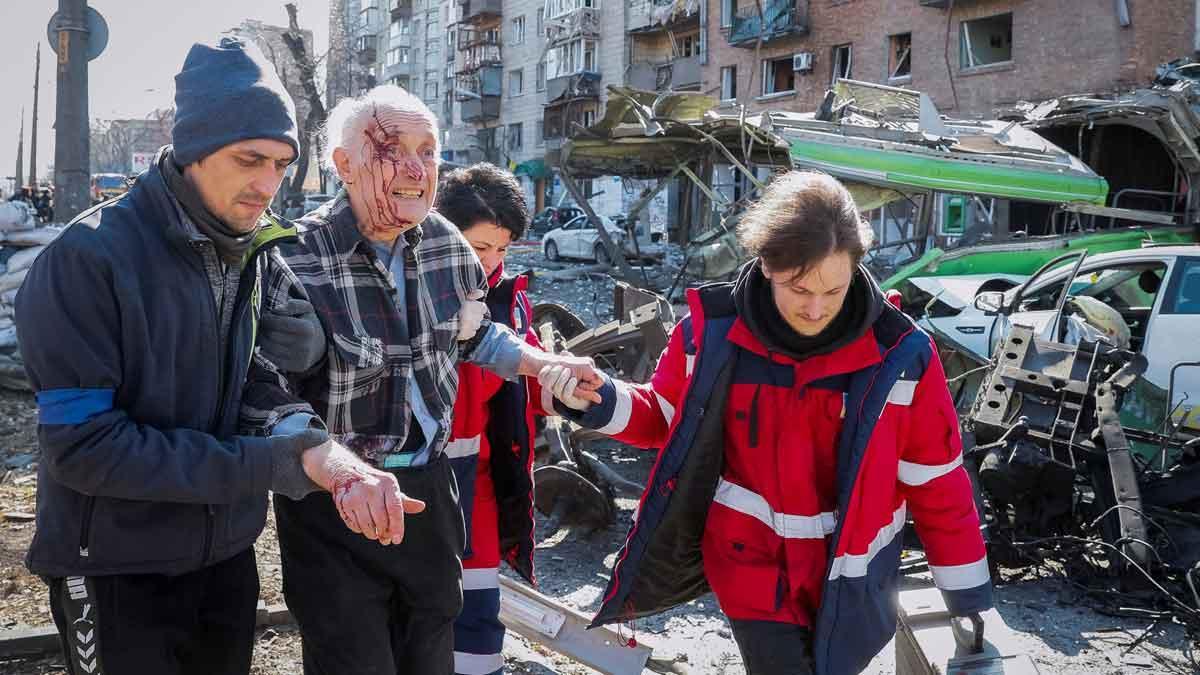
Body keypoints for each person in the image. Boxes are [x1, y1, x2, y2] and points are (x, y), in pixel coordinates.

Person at [15, 36, 405, 675]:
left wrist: (310, 438)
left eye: (281, 164)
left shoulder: (246, 247)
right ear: (193, 150)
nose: (267, 185)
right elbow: (84, 448)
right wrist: (270, 463)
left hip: (223, 557)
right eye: (250, 158)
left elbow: (243, 379)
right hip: (115, 566)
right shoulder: (89, 260)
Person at [539, 171, 992, 675]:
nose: (816, 308)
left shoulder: (900, 357)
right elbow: (663, 418)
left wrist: (967, 595)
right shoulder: (709, 337)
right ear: (767, 263)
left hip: (853, 576)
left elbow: (938, 484)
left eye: (833, 290)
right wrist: (599, 400)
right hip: (749, 568)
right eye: (799, 289)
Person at [254, 85, 601, 675]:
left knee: (431, 650)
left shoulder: (446, 245)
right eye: (392, 149)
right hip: (334, 500)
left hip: (431, 491)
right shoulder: (292, 258)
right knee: (352, 658)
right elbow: (262, 398)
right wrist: (336, 467)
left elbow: (476, 336)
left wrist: (544, 365)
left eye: (429, 151)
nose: (417, 170)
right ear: (343, 165)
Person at [435, 163, 551, 675]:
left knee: (480, 616)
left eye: (502, 249)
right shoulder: (424, 292)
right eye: (480, 247)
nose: (490, 262)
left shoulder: (511, 296)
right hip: (427, 478)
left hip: (483, 481)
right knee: (425, 615)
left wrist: (556, 386)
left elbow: (524, 393)